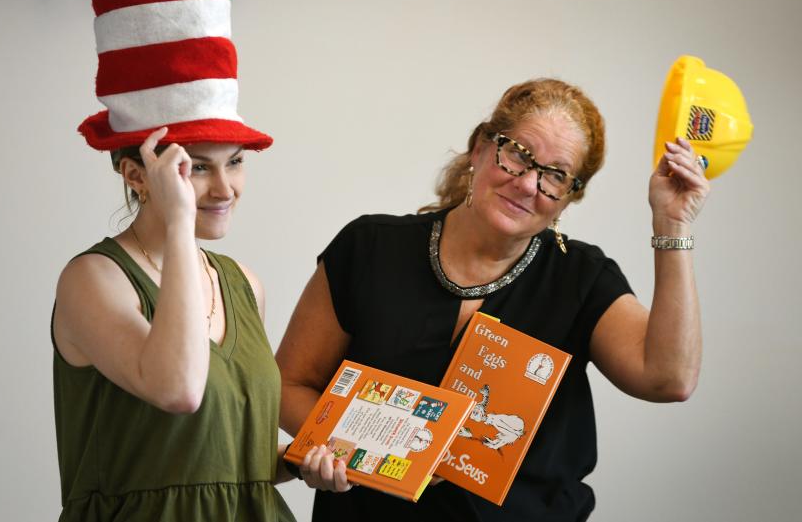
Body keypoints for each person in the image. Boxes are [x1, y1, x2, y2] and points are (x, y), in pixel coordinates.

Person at [276, 78, 709, 521]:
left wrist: (672, 223)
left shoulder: (582, 278)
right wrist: (348, 445)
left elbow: (668, 378)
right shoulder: (369, 248)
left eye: (556, 175)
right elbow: (288, 384)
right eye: (519, 153)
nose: (528, 184)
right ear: (481, 147)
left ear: (568, 199)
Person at [52, 0, 297, 521]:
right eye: (198, 167)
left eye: (235, 162)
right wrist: (181, 223)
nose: (225, 188)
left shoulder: (243, 285)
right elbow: (178, 390)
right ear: (137, 174)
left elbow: (231, 459)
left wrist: (303, 462)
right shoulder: (93, 278)